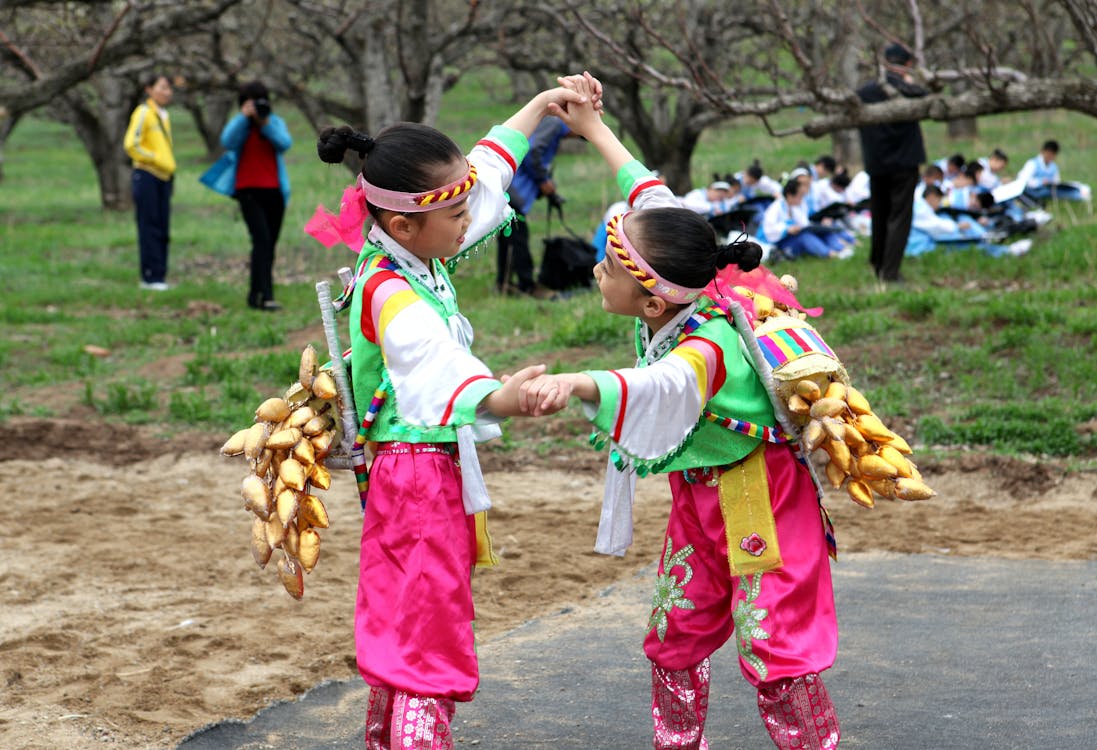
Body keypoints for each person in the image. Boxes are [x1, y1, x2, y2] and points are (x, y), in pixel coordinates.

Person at [520, 72, 841, 750]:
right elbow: (652, 198)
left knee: (769, 642)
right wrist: (593, 129)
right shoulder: (688, 269)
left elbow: (665, 386)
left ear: (651, 303)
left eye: (608, 267)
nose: (596, 272)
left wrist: (580, 382)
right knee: (674, 633)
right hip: (698, 495)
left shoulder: (704, 346)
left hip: (756, 492)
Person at [303, 80, 594, 750]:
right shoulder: (389, 290)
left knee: (407, 620)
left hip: (415, 472)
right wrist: (500, 398)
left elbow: (487, 177)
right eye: (456, 215)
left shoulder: (412, 254)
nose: (470, 222)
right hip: (416, 478)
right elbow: (428, 354)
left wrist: (542, 106)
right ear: (403, 223)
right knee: (427, 631)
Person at [199, 80, 293, 311]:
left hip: (274, 192)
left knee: (268, 244)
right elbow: (227, 141)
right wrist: (244, 117)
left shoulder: (273, 122)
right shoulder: (240, 126)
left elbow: (285, 143)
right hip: (248, 191)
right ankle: (267, 297)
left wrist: (265, 123)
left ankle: (255, 295)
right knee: (260, 240)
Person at [857, 43, 928, 283]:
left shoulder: (865, 92)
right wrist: (908, 82)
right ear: (906, 64)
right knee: (899, 217)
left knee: (879, 214)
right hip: (904, 164)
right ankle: (890, 272)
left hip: (877, 164)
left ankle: (878, 263)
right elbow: (926, 96)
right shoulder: (909, 91)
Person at [496, 114, 572, 294]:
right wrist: (543, 180)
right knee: (518, 236)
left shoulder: (553, 124)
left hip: (510, 189)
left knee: (508, 237)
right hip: (513, 190)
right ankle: (527, 285)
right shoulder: (555, 123)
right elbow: (532, 151)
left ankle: (503, 283)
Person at [123, 73, 176, 291]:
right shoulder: (144, 113)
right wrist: (154, 159)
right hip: (147, 175)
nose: (167, 92)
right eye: (162, 87)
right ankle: (150, 276)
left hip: (165, 176)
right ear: (149, 89)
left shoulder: (164, 115)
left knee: (163, 227)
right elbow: (131, 144)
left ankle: (160, 275)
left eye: (169, 88)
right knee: (149, 226)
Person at [1016, 139, 1092, 204]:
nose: (1050, 157)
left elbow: (1056, 181)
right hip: (1036, 190)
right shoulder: (1032, 163)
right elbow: (1022, 179)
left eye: (1053, 154)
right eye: (1049, 154)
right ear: (1043, 151)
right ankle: (1079, 195)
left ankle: (1080, 193)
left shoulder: (1053, 166)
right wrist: (1040, 182)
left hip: (1050, 190)